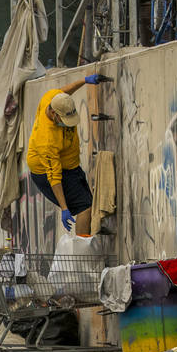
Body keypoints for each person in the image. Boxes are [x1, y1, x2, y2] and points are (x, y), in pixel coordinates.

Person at [25, 75, 108, 237]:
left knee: (89, 203)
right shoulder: (47, 139)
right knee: (85, 207)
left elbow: (63, 93)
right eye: (64, 119)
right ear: (54, 113)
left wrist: (83, 80)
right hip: (46, 173)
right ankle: (82, 251)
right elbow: (54, 177)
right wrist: (64, 208)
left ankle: (86, 236)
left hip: (70, 166)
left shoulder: (51, 98)